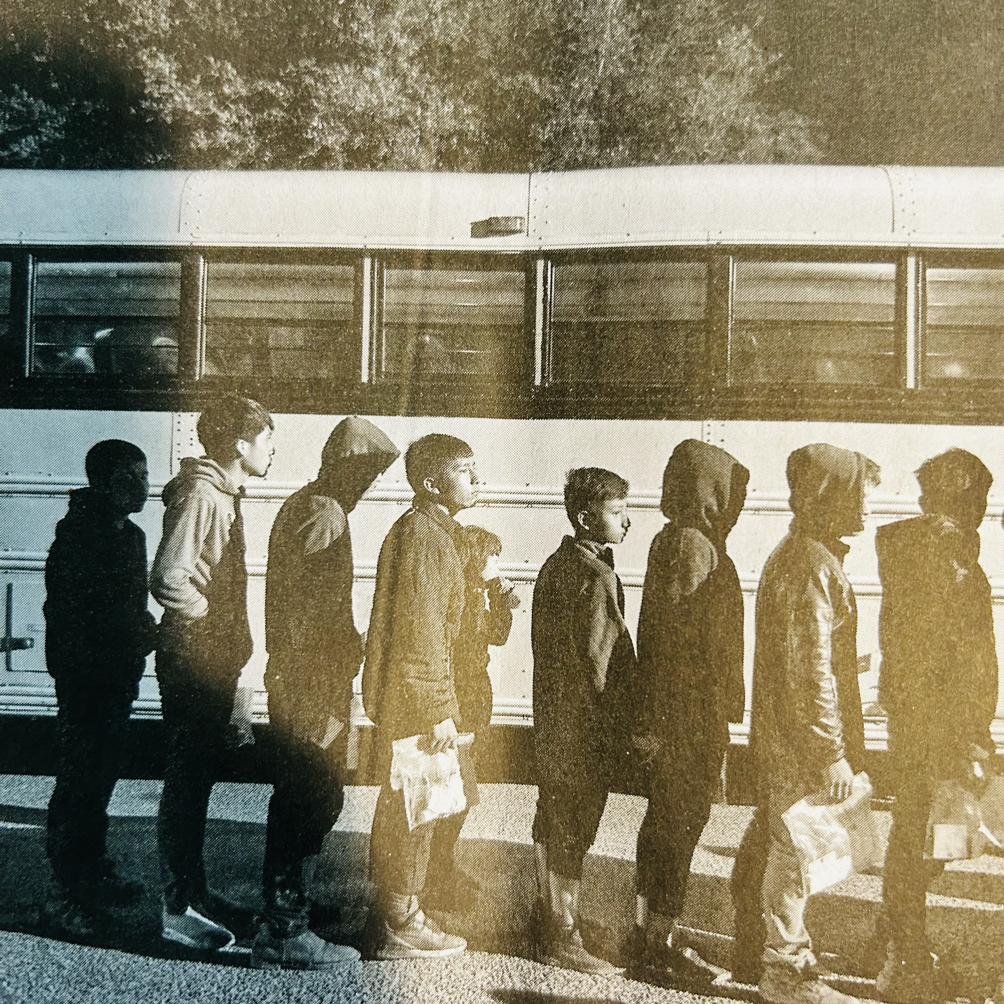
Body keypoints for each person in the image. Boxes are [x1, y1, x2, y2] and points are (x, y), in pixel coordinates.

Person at [253, 416, 399, 970]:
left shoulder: (309, 505)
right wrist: (335, 664)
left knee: (314, 792)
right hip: (310, 683)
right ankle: (283, 929)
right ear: (344, 468)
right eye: (366, 473)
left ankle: (292, 908)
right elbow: (305, 612)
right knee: (308, 795)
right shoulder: (324, 514)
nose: (369, 485)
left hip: (306, 679)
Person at [753, 444, 878, 1004]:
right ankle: (785, 974)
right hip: (802, 746)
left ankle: (777, 959)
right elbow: (809, 669)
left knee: (789, 848)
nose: (867, 507)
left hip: (790, 737)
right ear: (832, 496)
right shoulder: (812, 564)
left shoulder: (807, 555)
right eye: (860, 494)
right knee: (795, 855)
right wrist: (830, 751)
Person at [151, 394, 274, 951]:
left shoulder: (221, 491)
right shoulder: (203, 494)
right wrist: (211, 624)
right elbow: (168, 577)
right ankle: (177, 909)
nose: (271, 450)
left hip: (210, 656)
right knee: (186, 781)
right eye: (267, 440)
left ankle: (193, 894)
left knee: (196, 779)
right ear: (240, 445)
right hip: (194, 656)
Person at [873, 449, 996, 1003]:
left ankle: (894, 941)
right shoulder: (946, 559)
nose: (985, 509)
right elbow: (960, 657)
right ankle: (903, 957)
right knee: (929, 840)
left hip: (920, 723)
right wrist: (971, 736)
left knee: (928, 836)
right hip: (944, 728)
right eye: (979, 498)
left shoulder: (922, 551)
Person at [631, 440, 748, 984]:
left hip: (683, 715)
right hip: (688, 718)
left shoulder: (681, 539)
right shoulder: (692, 546)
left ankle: (651, 932)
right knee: (678, 823)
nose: (737, 503)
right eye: (730, 491)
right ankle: (657, 941)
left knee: (669, 822)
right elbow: (676, 643)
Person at [362, 433, 479, 960]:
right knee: (418, 807)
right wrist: (438, 711)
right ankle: (402, 922)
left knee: (409, 804)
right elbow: (422, 633)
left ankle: (393, 910)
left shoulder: (428, 531)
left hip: (409, 696)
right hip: (416, 703)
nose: (476, 480)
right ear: (432, 483)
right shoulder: (426, 538)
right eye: (465, 471)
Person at [42, 439, 157, 937]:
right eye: (131, 478)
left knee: (101, 778)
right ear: (103, 483)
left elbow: (132, 608)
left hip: (117, 678)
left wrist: (143, 636)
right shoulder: (76, 538)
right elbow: (71, 616)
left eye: (144, 476)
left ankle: (92, 872)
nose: (143, 487)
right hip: (86, 681)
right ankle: (63, 895)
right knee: (80, 783)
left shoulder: (131, 536)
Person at [530, 467, 636, 974]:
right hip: (585, 729)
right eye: (617, 512)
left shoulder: (555, 565)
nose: (627, 521)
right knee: (574, 828)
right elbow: (602, 664)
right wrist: (627, 726)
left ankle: (549, 916)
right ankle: (563, 932)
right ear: (586, 518)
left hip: (555, 722)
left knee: (553, 818)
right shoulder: (596, 577)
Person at [423, 524, 519, 913]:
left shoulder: (476, 594)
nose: (497, 563)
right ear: (475, 558)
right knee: (454, 789)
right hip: (460, 699)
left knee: (461, 788)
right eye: (492, 556)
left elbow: (498, 635)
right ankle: (435, 873)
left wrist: (498, 593)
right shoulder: (460, 597)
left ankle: (441, 866)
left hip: (474, 698)